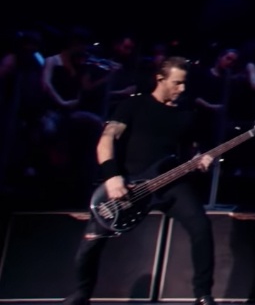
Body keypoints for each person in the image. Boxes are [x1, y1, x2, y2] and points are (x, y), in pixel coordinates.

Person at [63, 57, 216, 305]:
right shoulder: (133, 105)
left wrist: (202, 159)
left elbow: (192, 151)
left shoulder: (187, 114)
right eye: (177, 83)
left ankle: (203, 295)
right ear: (160, 79)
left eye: (185, 83)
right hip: (128, 182)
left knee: (201, 227)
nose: (182, 89)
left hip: (169, 182)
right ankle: (82, 293)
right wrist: (112, 177)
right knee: (91, 242)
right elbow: (106, 139)